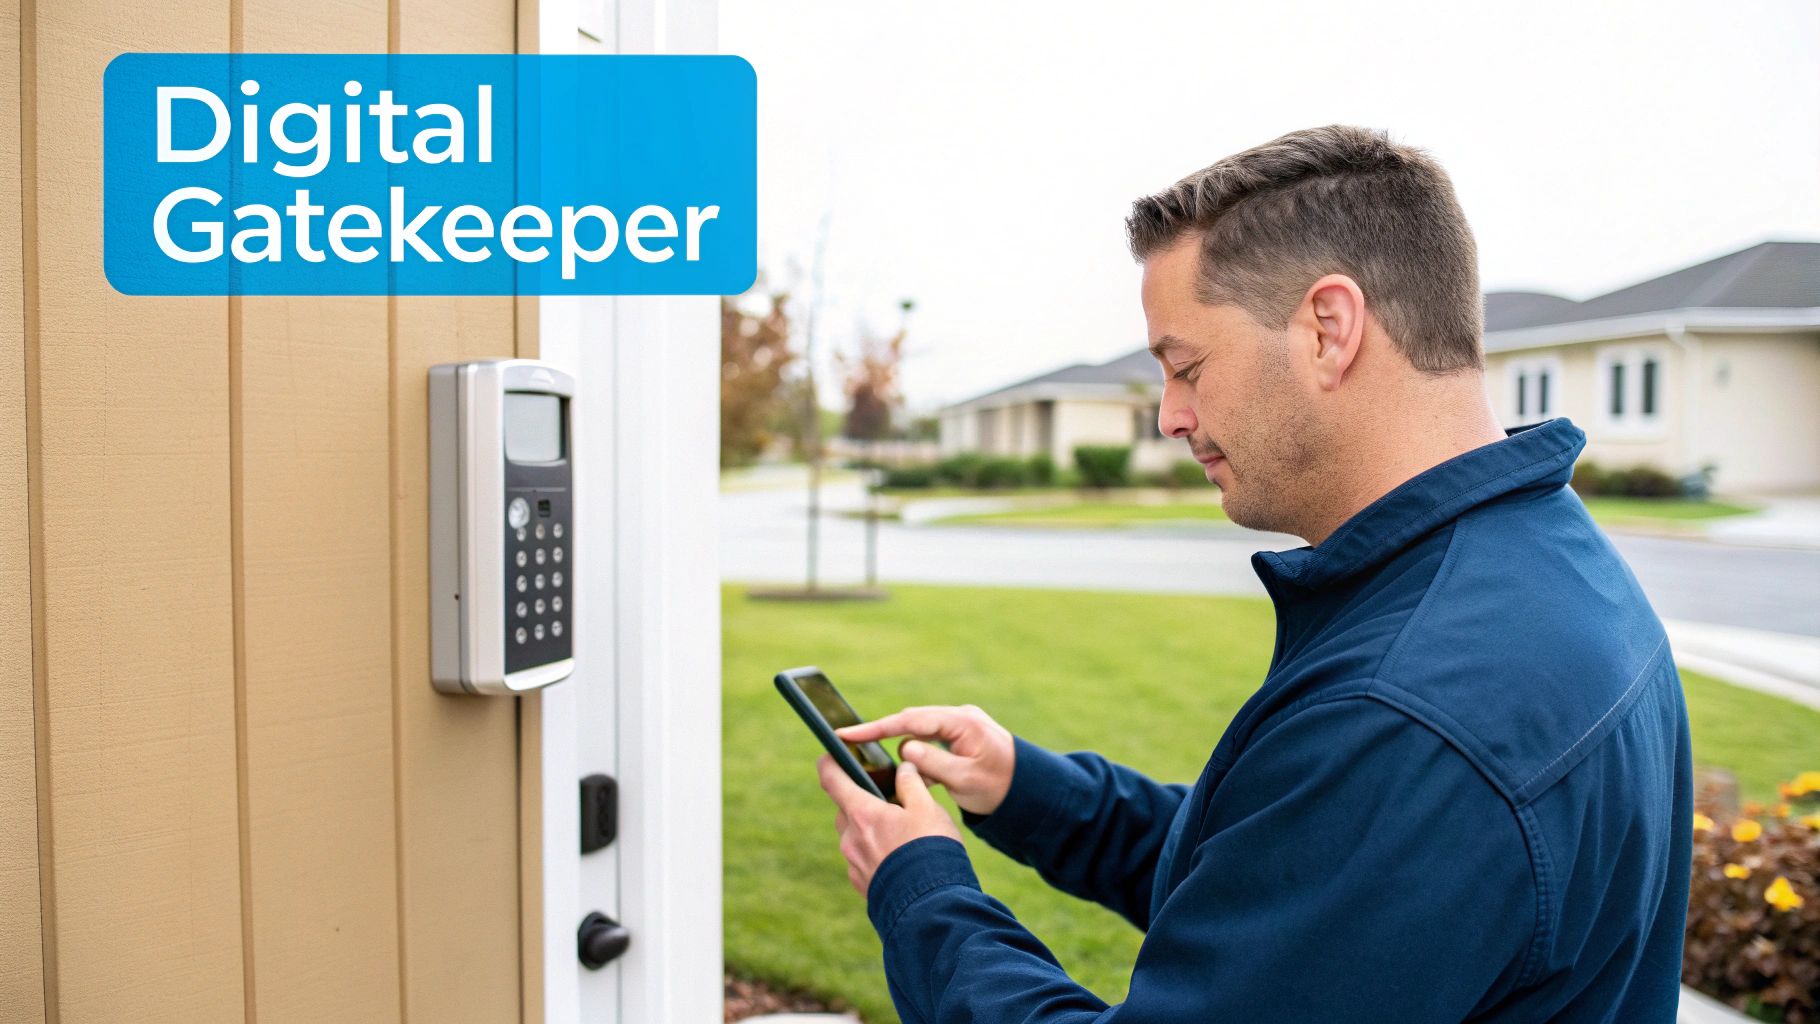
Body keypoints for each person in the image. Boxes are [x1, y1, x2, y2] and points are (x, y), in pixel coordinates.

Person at [815, 125, 1693, 1023]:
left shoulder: (1408, 712)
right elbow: (1295, 878)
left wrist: (920, 886)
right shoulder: (1551, 560)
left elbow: (1344, 837)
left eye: (1186, 367)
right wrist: (1029, 789)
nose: (1170, 416)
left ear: (1327, 328)